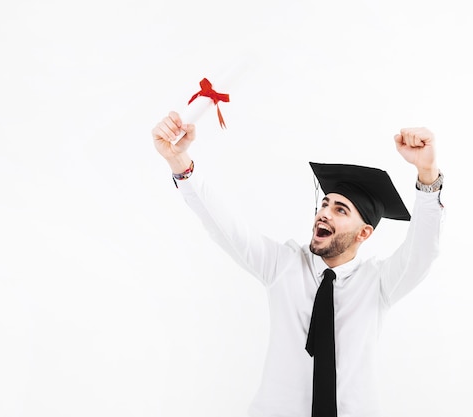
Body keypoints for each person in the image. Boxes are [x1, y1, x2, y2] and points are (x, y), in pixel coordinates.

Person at [151, 111, 445, 417]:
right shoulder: (283, 266)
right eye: (325, 204)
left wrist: (427, 172)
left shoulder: (379, 284)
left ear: (364, 233)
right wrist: (180, 162)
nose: (325, 214)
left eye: (340, 210)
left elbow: (422, 251)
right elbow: (225, 226)